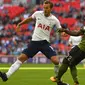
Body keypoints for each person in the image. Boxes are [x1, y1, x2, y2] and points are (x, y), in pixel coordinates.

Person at [0, 1, 67, 85]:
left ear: (51, 9)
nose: (44, 9)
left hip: (45, 43)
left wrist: (63, 33)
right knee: (21, 58)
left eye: (47, 8)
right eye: (44, 7)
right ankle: (6, 75)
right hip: (34, 42)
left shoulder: (54, 20)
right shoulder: (38, 13)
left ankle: (58, 81)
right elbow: (29, 19)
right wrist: (20, 24)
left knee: (56, 61)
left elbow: (59, 29)